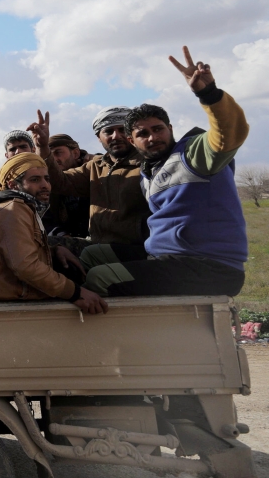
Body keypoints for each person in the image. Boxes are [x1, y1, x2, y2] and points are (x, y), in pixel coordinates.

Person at [82, 47, 249, 297]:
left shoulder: (193, 154)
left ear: (170, 128)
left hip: (210, 266)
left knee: (101, 278)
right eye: (143, 134)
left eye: (158, 129)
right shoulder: (149, 172)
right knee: (92, 254)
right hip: (165, 257)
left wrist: (209, 94)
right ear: (131, 140)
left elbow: (229, 133)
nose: (153, 137)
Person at [0, 154, 108, 314]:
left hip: (5, 293)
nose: (45, 186)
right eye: (35, 180)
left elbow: (16, 251)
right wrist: (75, 293)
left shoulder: (21, 207)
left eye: (47, 179)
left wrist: (54, 251)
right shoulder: (12, 210)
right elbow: (25, 266)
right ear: (13, 185)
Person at [27, 107, 151, 249]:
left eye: (122, 130)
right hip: (98, 244)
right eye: (108, 131)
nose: (116, 136)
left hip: (135, 248)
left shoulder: (149, 164)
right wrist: (42, 147)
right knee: (40, 246)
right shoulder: (95, 167)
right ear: (99, 137)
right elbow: (59, 182)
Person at [40, 133, 93, 238]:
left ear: (76, 153)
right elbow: (45, 218)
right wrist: (61, 235)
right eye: (50, 155)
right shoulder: (47, 183)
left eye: (58, 153)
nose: (54, 159)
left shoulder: (94, 172)